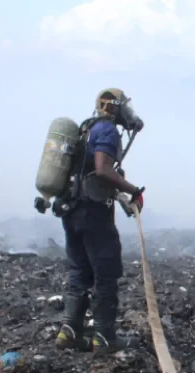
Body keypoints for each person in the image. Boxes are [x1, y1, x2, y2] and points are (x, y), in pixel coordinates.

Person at [54, 88, 145, 355]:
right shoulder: (106, 131)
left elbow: (88, 174)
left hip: (71, 210)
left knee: (79, 270)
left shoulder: (85, 129)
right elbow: (103, 170)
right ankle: (104, 337)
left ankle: (70, 331)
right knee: (106, 272)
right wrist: (134, 190)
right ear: (115, 108)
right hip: (93, 213)